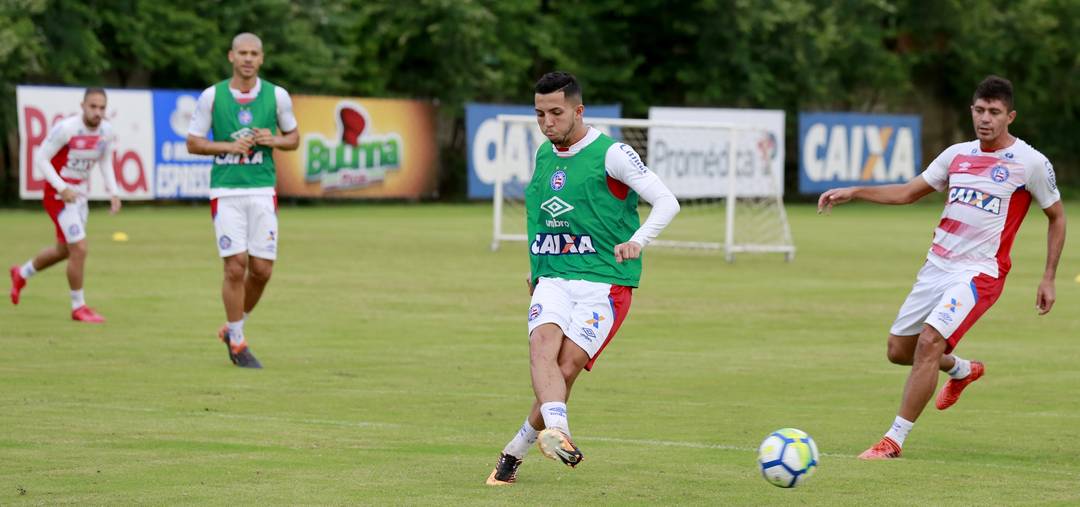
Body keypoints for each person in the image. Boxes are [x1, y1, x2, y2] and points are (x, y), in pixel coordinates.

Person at [818, 75, 1065, 459]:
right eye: (980, 110)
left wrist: (1048, 276)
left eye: (995, 112)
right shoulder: (956, 155)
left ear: (1010, 116)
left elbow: (1057, 217)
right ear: (972, 110)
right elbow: (907, 192)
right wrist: (855, 190)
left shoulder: (1030, 163)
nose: (986, 118)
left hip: (979, 273)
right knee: (899, 351)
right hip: (937, 267)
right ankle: (962, 369)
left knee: (930, 342)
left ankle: (893, 441)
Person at [486, 71, 681, 485]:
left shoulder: (613, 153)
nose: (547, 122)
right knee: (542, 346)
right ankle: (559, 433)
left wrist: (638, 240)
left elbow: (667, 201)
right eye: (539, 114)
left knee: (564, 368)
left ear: (578, 110)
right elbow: (541, 218)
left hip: (606, 282)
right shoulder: (544, 154)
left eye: (556, 113)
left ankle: (514, 451)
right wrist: (537, 269)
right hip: (554, 277)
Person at [186, 32, 299, 369]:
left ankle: (235, 325)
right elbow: (193, 142)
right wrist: (226, 147)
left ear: (261, 58)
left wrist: (275, 139)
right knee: (235, 265)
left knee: (261, 270)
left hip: (263, 190)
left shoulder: (277, 96)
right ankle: (237, 341)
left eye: (254, 53)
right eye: (242, 53)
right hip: (227, 190)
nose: (248, 59)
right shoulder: (212, 96)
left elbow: (293, 138)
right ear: (231, 56)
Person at [9, 88, 122, 322]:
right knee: (79, 248)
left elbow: (104, 160)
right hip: (58, 195)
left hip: (79, 195)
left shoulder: (107, 132)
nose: (97, 112)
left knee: (64, 250)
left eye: (102, 107)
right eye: (93, 106)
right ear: (82, 106)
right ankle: (78, 307)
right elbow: (41, 158)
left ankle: (22, 273)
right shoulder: (66, 129)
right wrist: (62, 187)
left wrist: (114, 191)